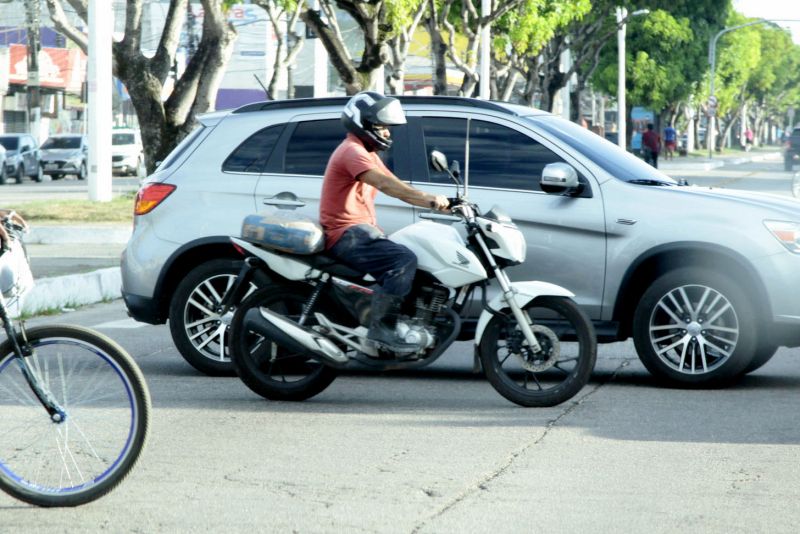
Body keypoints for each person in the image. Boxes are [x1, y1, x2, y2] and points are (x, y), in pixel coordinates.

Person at [320, 92, 449, 352]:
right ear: (363, 123)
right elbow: (387, 186)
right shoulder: (353, 151)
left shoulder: (365, 153)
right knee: (402, 260)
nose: (388, 133)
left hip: (360, 230)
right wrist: (430, 200)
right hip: (346, 232)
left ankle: (395, 320)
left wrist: (449, 202)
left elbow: (399, 185)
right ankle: (382, 331)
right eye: (382, 126)